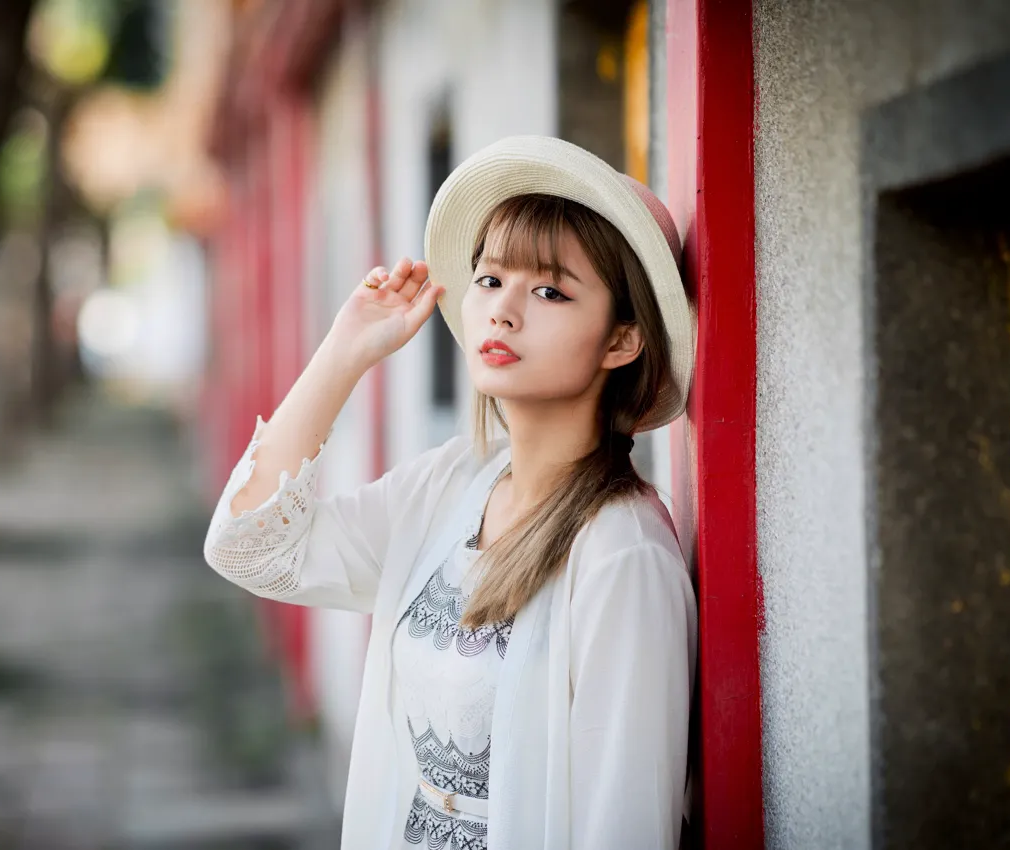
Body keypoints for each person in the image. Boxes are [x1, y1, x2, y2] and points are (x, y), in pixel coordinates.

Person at [203, 135, 697, 849]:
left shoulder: (623, 554)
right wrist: (344, 353)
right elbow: (249, 549)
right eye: (490, 279)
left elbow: (623, 826)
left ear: (622, 340)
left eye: (550, 291)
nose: (503, 311)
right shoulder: (452, 484)